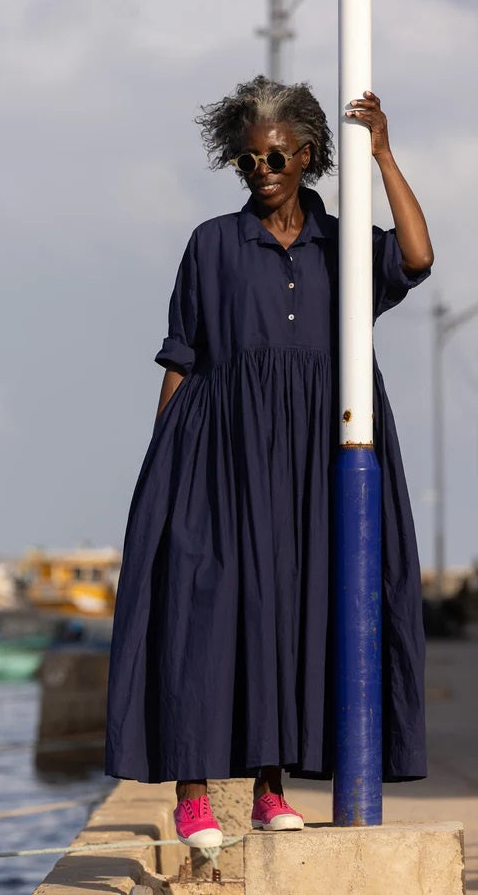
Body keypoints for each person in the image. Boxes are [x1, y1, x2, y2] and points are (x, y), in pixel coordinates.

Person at [105, 76, 433, 847]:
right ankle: (192, 796)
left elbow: (417, 256)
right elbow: (181, 357)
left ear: (309, 155)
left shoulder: (344, 245)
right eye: (248, 162)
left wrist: (383, 155)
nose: (263, 172)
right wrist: (164, 472)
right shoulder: (212, 243)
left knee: (285, 613)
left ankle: (268, 788)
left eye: (277, 157)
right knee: (201, 610)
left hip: (319, 452)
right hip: (218, 451)